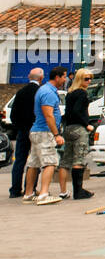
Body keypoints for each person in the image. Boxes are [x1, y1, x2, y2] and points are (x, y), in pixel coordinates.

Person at [24, 65, 68, 204]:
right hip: (45, 131)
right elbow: (48, 115)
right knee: (50, 162)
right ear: (57, 77)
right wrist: (56, 134)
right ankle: (43, 194)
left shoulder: (44, 90)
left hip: (37, 130)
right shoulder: (48, 92)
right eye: (64, 76)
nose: (66, 79)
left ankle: (28, 193)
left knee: (34, 163)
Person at [60, 68, 96, 200]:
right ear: (80, 79)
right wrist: (87, 124)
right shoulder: (82, 93)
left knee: (65, 160)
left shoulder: (70, 93)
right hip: (79, 128)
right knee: (79, 159)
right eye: (86, 78)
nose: (89, 81)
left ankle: (63, 191)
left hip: (68, 128)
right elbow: (76, 111)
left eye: (90, 78)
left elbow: (69, 111)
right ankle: (78, 191)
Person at [8, 68, 42, 199]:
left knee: (19, 160)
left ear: (29, 76)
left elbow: (13, 114)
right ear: (41, 78)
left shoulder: (21, 92)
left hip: (23, 131)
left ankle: (15, 189)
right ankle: (30, 188)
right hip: (36, 129)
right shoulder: (40, 92)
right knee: (34, 160)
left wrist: (20, 127)